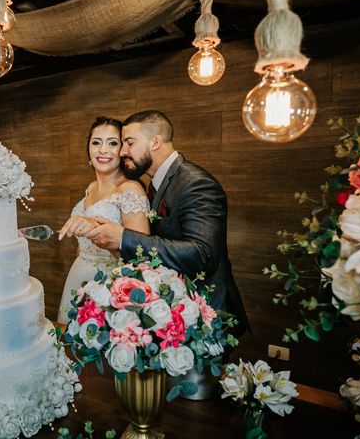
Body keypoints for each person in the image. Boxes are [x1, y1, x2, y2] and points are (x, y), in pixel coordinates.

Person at [85, 110, 249, 335]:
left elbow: (203, 254)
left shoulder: (196, 183)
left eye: (129, 143)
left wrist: (123, 238)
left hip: (209, 315)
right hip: (176, 312)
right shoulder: (157, 183)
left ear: (155, 142)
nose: (122, 152)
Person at [56, 117, 150, 324]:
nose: (103, 150)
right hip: (78, 275)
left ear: (123, 150)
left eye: (112, 143)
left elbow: (142, 258)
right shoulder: (90, 188)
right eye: (96, 142)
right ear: (88, 150)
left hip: (109, 285)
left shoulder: (129, 190)